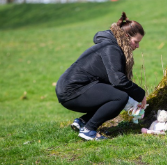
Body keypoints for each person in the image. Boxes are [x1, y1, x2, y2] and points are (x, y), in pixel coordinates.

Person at [55, 12, 146, 140]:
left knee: (115, 94)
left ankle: (83, 121)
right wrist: (140, 94)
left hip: (69, 88)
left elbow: (111, 82)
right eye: (135, 42)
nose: (137, 46)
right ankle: (88, 130)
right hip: (72, 91)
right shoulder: (111, 47)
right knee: (120, 98)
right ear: (126, 36)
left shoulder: (109, 44)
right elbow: (118, 80)